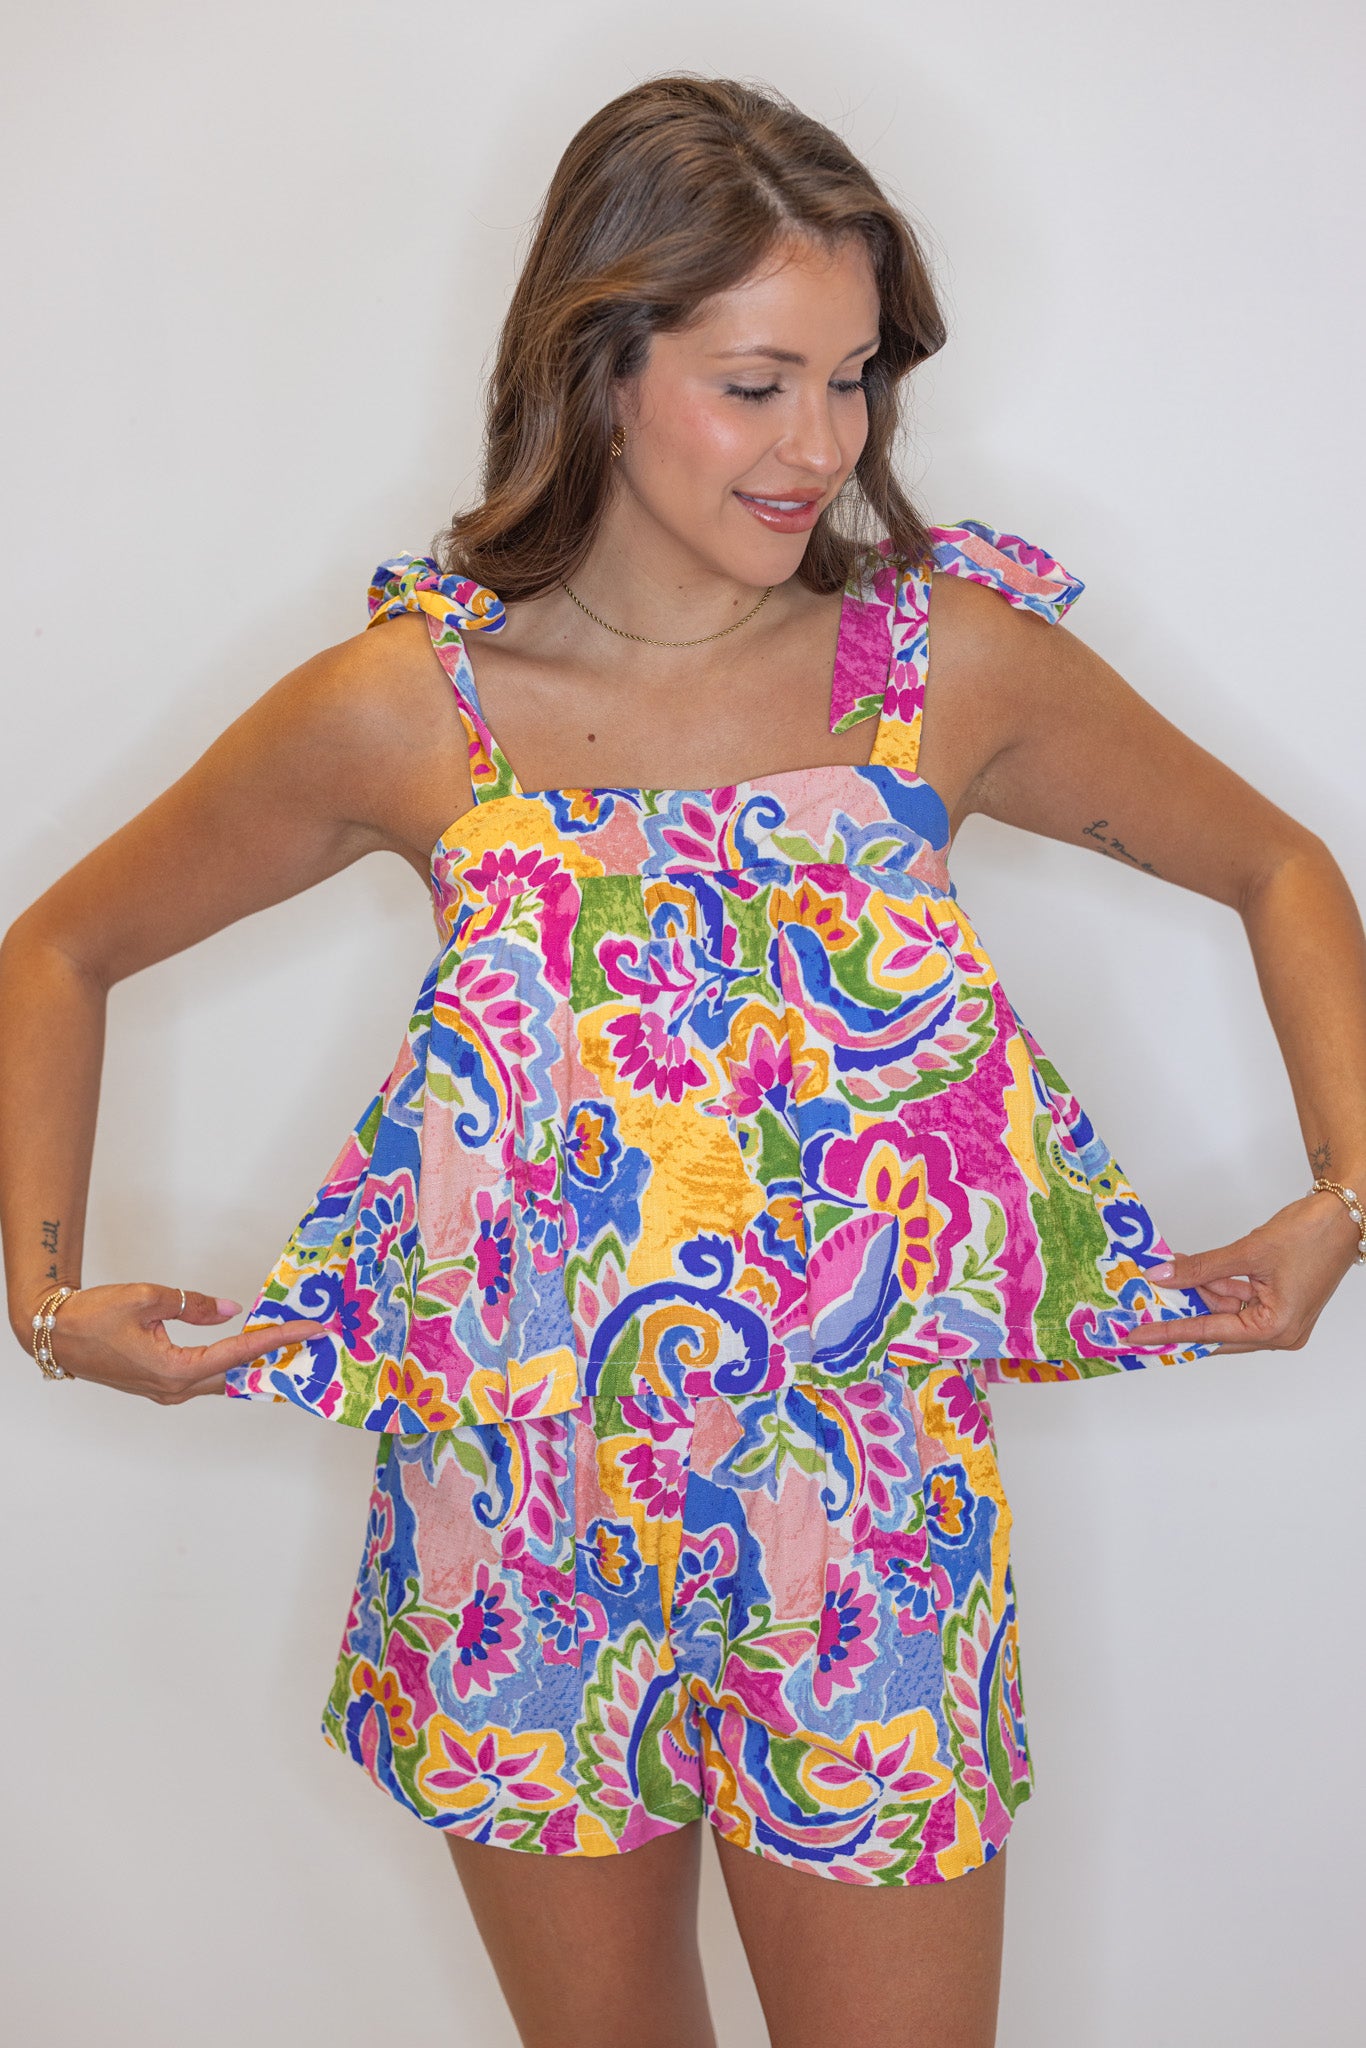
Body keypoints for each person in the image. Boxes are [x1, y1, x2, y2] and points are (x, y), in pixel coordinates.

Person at [3, 71, 1364, 2048]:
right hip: (511, 1528)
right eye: (755, 383)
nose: (821, 443)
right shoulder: (408, 708)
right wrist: (47, 1304)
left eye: (852, 378)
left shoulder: (939, 670)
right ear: (600, 362)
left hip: (864, 1528)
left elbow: (1275, 864)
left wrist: (1345, 1198)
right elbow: (57, 951)